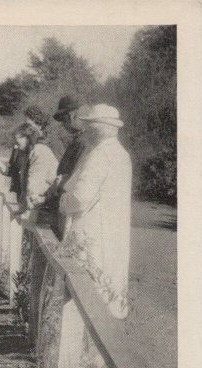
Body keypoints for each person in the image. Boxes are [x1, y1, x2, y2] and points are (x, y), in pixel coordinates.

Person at [59, 104, 132, 319]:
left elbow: (80, 198)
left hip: (92, 232)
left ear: (96, 128)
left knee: (85, 292)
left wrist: (63, 202)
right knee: (106, 288)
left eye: (89, 125)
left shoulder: (100, 155)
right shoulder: (121, 154)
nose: (86, 130)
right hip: (112, 233)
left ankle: (79, 348)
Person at [45, 95, 87, 237]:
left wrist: (57, 185)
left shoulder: (83, 142)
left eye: (64, 120)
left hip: (70, 207)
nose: (63, 125)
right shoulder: (78, 140)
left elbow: (75, 176)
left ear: (72, 115)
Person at [9, 122, 59, 221]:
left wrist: (28, 211)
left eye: (17, 143)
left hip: (50, 201)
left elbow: (34, 182)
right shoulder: (30, 152)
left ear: (28, 138)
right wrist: (23, 208)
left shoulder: (39, 152)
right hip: (43, 200)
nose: (15, 146)